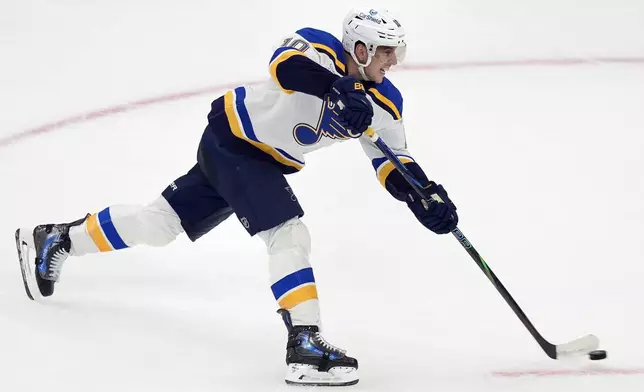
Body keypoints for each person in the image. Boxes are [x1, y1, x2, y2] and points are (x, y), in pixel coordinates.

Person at [15, 7, 458, 386]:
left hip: (254, 159)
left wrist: (422, 195)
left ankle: (58, 238)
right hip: (235, 142)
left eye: (395, 51)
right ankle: (304, 342)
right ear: (359, 49)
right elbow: (284, 66)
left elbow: (391, 160)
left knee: (160, 224)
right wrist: (337, 89)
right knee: (288, 233)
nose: (393, 61)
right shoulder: (319, 47)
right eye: (385, 51)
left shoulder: (385, 100)